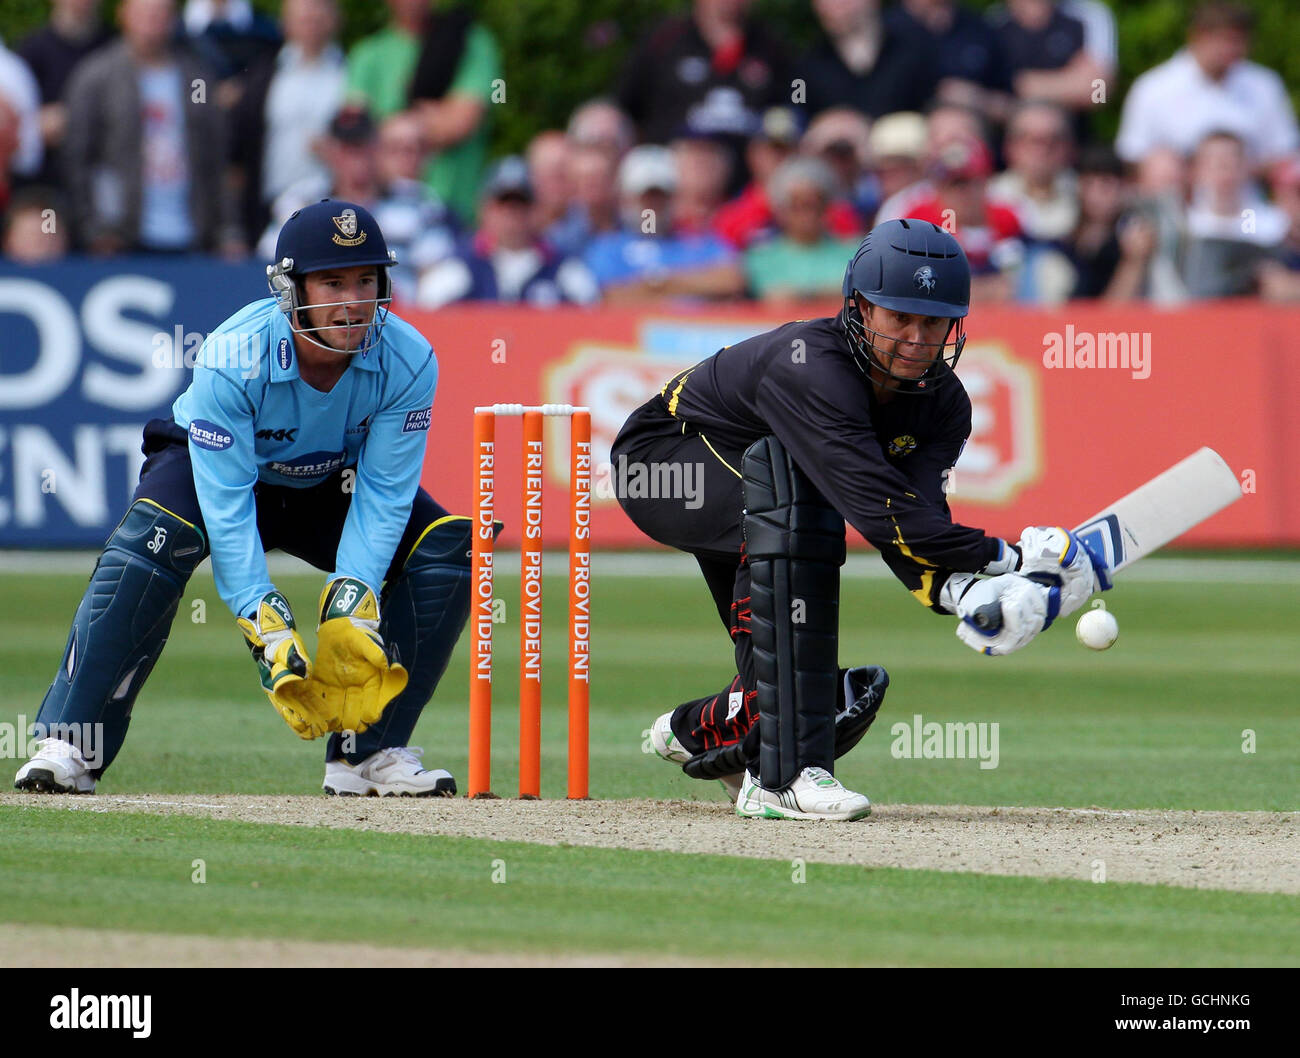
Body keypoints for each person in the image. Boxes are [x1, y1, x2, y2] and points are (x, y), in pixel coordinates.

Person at [611, 218, 1109, 819]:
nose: (917, 339)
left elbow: (917, 522)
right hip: (664, 464)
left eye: (933, 322)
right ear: (860, 309)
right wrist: (1016, 557)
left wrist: (974, 595)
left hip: (756, 484)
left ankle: (717, 733)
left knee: (816, 680)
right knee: (801, 507)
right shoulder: (813, 365)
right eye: (899, 317)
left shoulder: (944, 403)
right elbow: (878, 511)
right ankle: (784, 777)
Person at [14, 199, 470, 798]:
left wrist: (350, 599)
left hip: (331, 480)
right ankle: (72, 746)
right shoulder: (233, 356)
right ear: (289, 289)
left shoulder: (409, 360)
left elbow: (384, 492)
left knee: (447, 552)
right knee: (151, 545)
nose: (353, 301)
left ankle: (367, 755)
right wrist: (264, 621)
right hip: (216, 474)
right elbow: (228, 506)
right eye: (332, 282)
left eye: (366, 281)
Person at [61, 0, 242, 255]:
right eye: (145, 13)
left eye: (161, 13)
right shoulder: (96, 76)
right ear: (123, 15)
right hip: (121, 239)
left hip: (194, 236)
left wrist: (228, 230)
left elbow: (218, 158)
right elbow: (77, 159)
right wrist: (93, 229)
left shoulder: (197, 78)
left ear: (173, 19)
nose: (152, 22)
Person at [1115, 1, 1298, 176]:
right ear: (1196, 36)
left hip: (1247, 205)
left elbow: (1286, 154)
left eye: (1238, 41)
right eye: (1225, 40)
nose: (1231, 49)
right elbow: (1131, 156)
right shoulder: (1152, 88)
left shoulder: (1265, 84)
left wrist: (1232, 171)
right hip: (1172, 203)